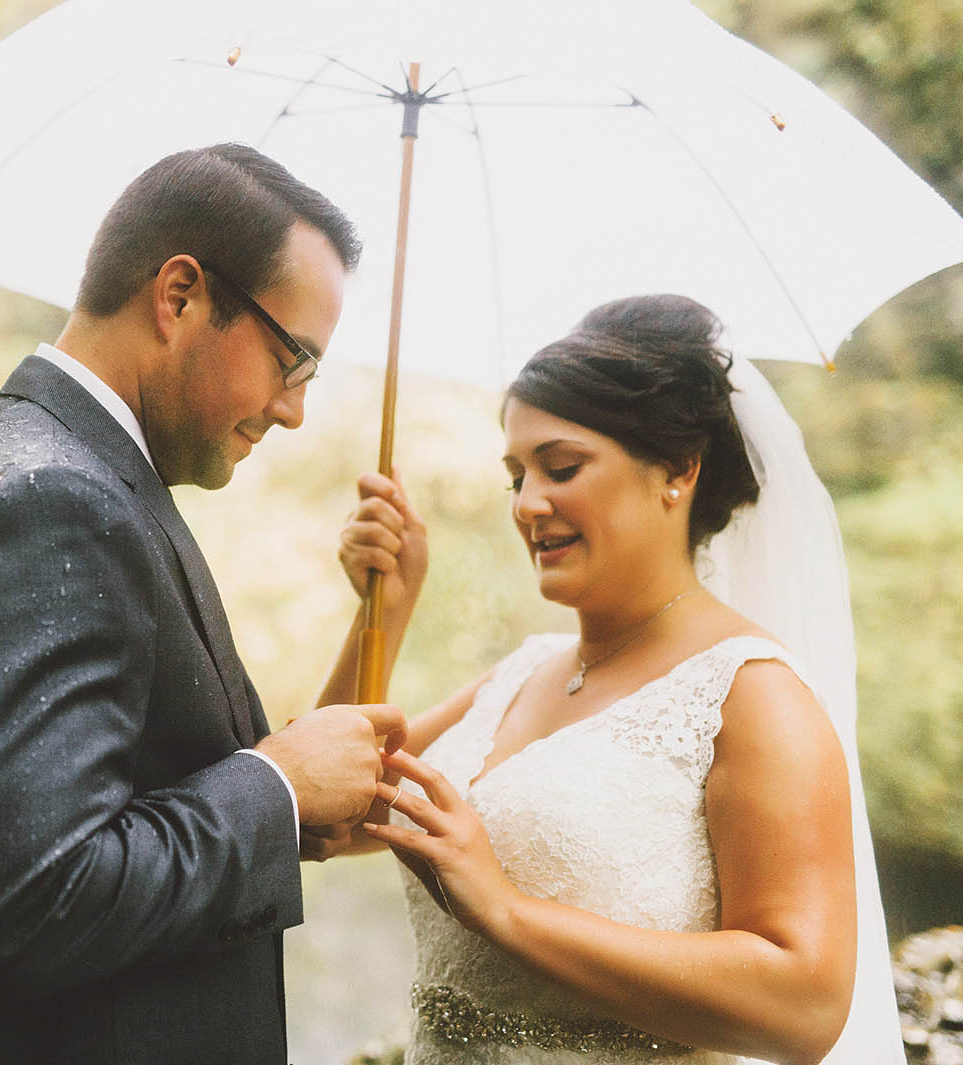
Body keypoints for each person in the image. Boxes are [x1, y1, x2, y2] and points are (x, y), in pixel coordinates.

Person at [0, 142, 407, 1065]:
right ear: (180, 294)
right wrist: (275, 786)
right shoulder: (53, 504)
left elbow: (137, 809)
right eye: (292, 360)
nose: (293, 410)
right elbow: (38, 899)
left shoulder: (38, 469)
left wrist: (295, 791)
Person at [316, 294, 903, 1064]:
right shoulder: (520, 675)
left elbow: (807, 1002)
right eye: (514, 476)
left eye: (561, 467)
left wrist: (508, 911)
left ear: (678, 469)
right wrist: (382, 613)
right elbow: (315, 816)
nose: (528, 504)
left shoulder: (750, 695)